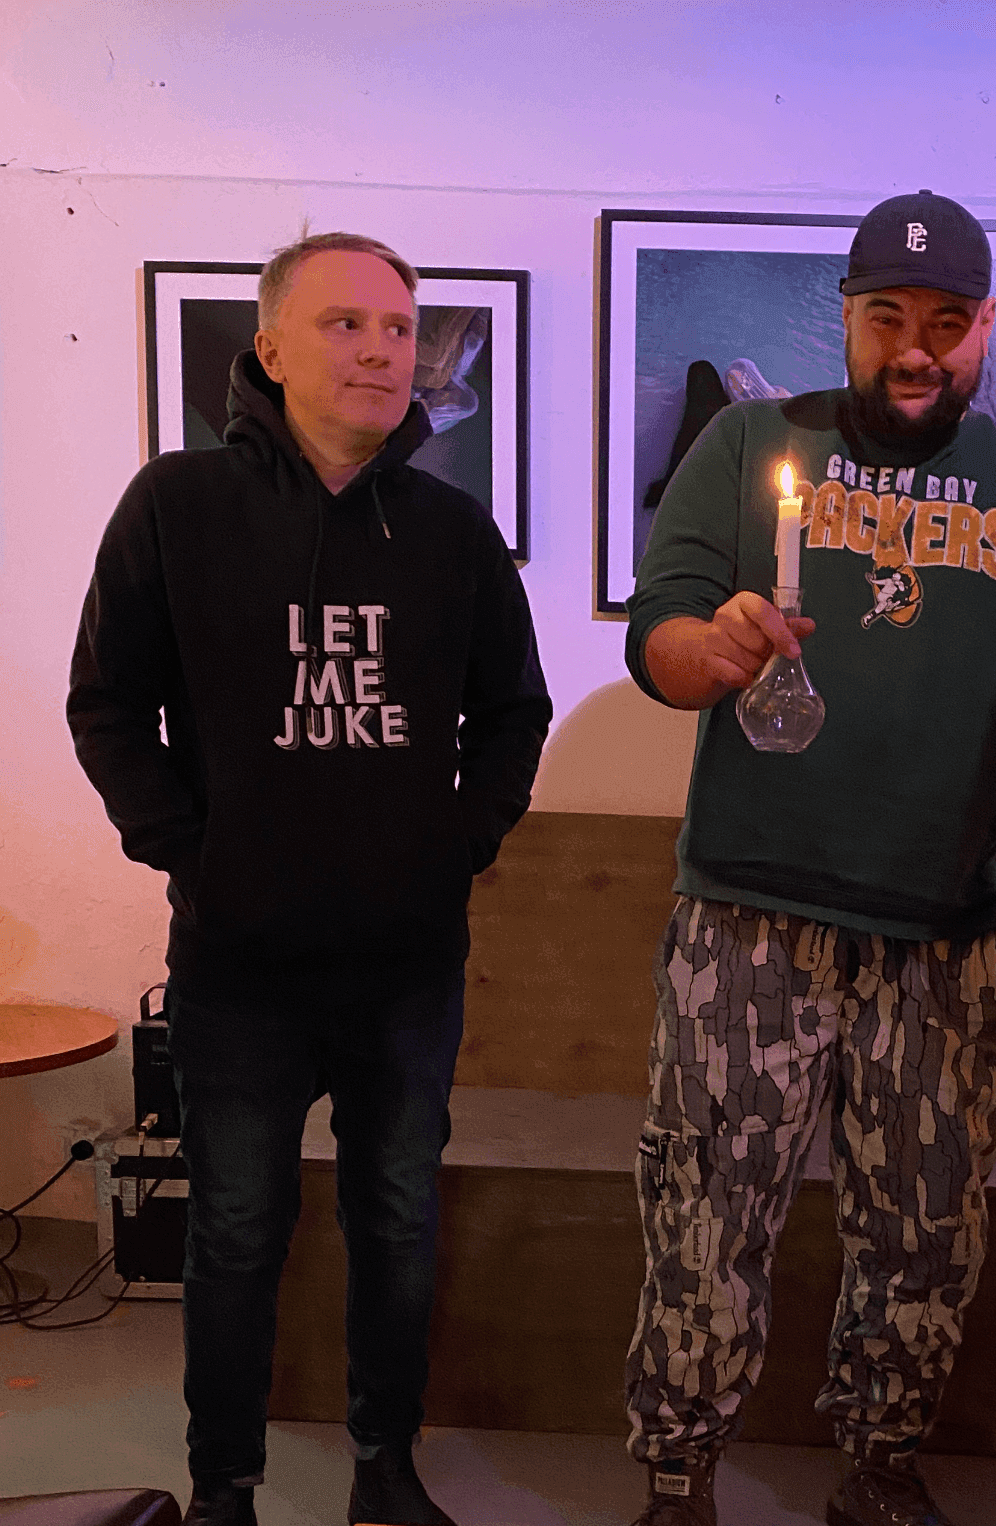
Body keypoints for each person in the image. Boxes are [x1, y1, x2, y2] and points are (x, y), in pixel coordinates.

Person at [67, 232, 552, 1526]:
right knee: (235, 1227)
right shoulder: (176, 506)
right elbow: (105, 703)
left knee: (396, 1220)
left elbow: (514, 710)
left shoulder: (451, 531)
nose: (384, 349)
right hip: (241, 966)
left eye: (399, 327)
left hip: (406, 965)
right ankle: (222, 1482)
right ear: (272, 348)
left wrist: (458, 842)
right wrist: (187, 847)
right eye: (347, 324)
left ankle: (385, 1468)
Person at [622, 190, 996, 1526]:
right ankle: (678, 1474)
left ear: (985, 326)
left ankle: (879, 1463)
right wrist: (709, 650)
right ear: (846, 315)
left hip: (950, 931)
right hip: (748, 916)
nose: (915, 347)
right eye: (887, 315)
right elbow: (658, 633)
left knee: (925, 1231)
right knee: (704, 1210)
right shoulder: (747, 442)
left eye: (946, 320)